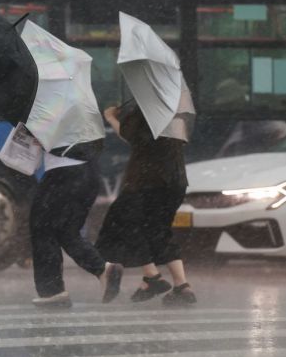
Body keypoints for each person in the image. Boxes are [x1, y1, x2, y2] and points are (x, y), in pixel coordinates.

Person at [96, 99, 196, 306]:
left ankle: (152, 276)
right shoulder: (176, 105)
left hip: (147, 180)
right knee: (159, 229)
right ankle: (181, 285)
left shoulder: (147, 106)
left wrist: (110, 117)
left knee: (124, 223)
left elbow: (130, 136)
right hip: (175, 180)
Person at [30, 141, 124, 308]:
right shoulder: (85, 115)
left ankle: (52, 291)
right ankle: (103, 269)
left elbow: (42, 131)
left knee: (42, 228)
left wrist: (33, 132)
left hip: (63, 172)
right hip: (89, 173)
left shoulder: (49, 114)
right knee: (67, 232)